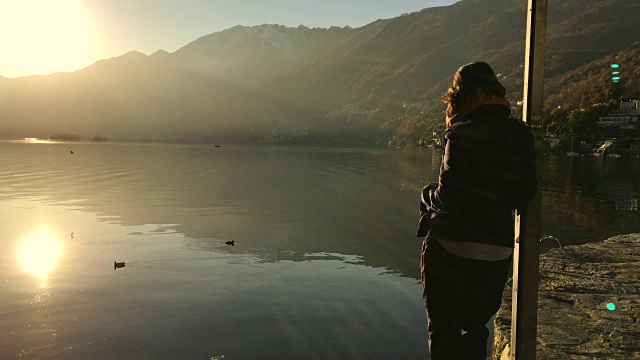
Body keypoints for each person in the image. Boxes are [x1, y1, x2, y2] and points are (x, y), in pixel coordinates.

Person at [417, 62, 537, 359]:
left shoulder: (461, 133)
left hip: (450, 245)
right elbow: (524, 192)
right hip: (496, 248)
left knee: (443, 331)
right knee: (476, 329)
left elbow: (449, 196)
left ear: (476, 94)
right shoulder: (522, 134)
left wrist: (428, 194)